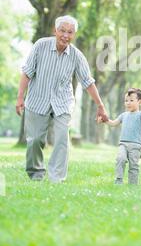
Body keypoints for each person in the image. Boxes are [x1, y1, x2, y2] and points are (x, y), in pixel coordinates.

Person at [16, 15, 108, 183]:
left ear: (74, 35)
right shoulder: (40, 46)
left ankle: (56, 178)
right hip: (37, 99)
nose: (65, 35)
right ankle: (36, 175)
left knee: (61, 139)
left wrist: (100, 105)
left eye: (70, 32)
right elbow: (27, 72)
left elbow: (88, 82)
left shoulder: (76, 56)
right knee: (35, 140)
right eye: (62, 31)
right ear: (55, 31)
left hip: (63, 102)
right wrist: (20, 97)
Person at [99, 88, 141, 185]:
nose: (128, 103)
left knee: (134, 165)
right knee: (120, 159)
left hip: (136, 146)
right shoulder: (124, 115)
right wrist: (104, 120)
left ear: (140, 102)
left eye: (131, 100)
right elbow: (113, 123)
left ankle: (133, 185)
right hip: (123, 143)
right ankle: (118, 180)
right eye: (126, 101)